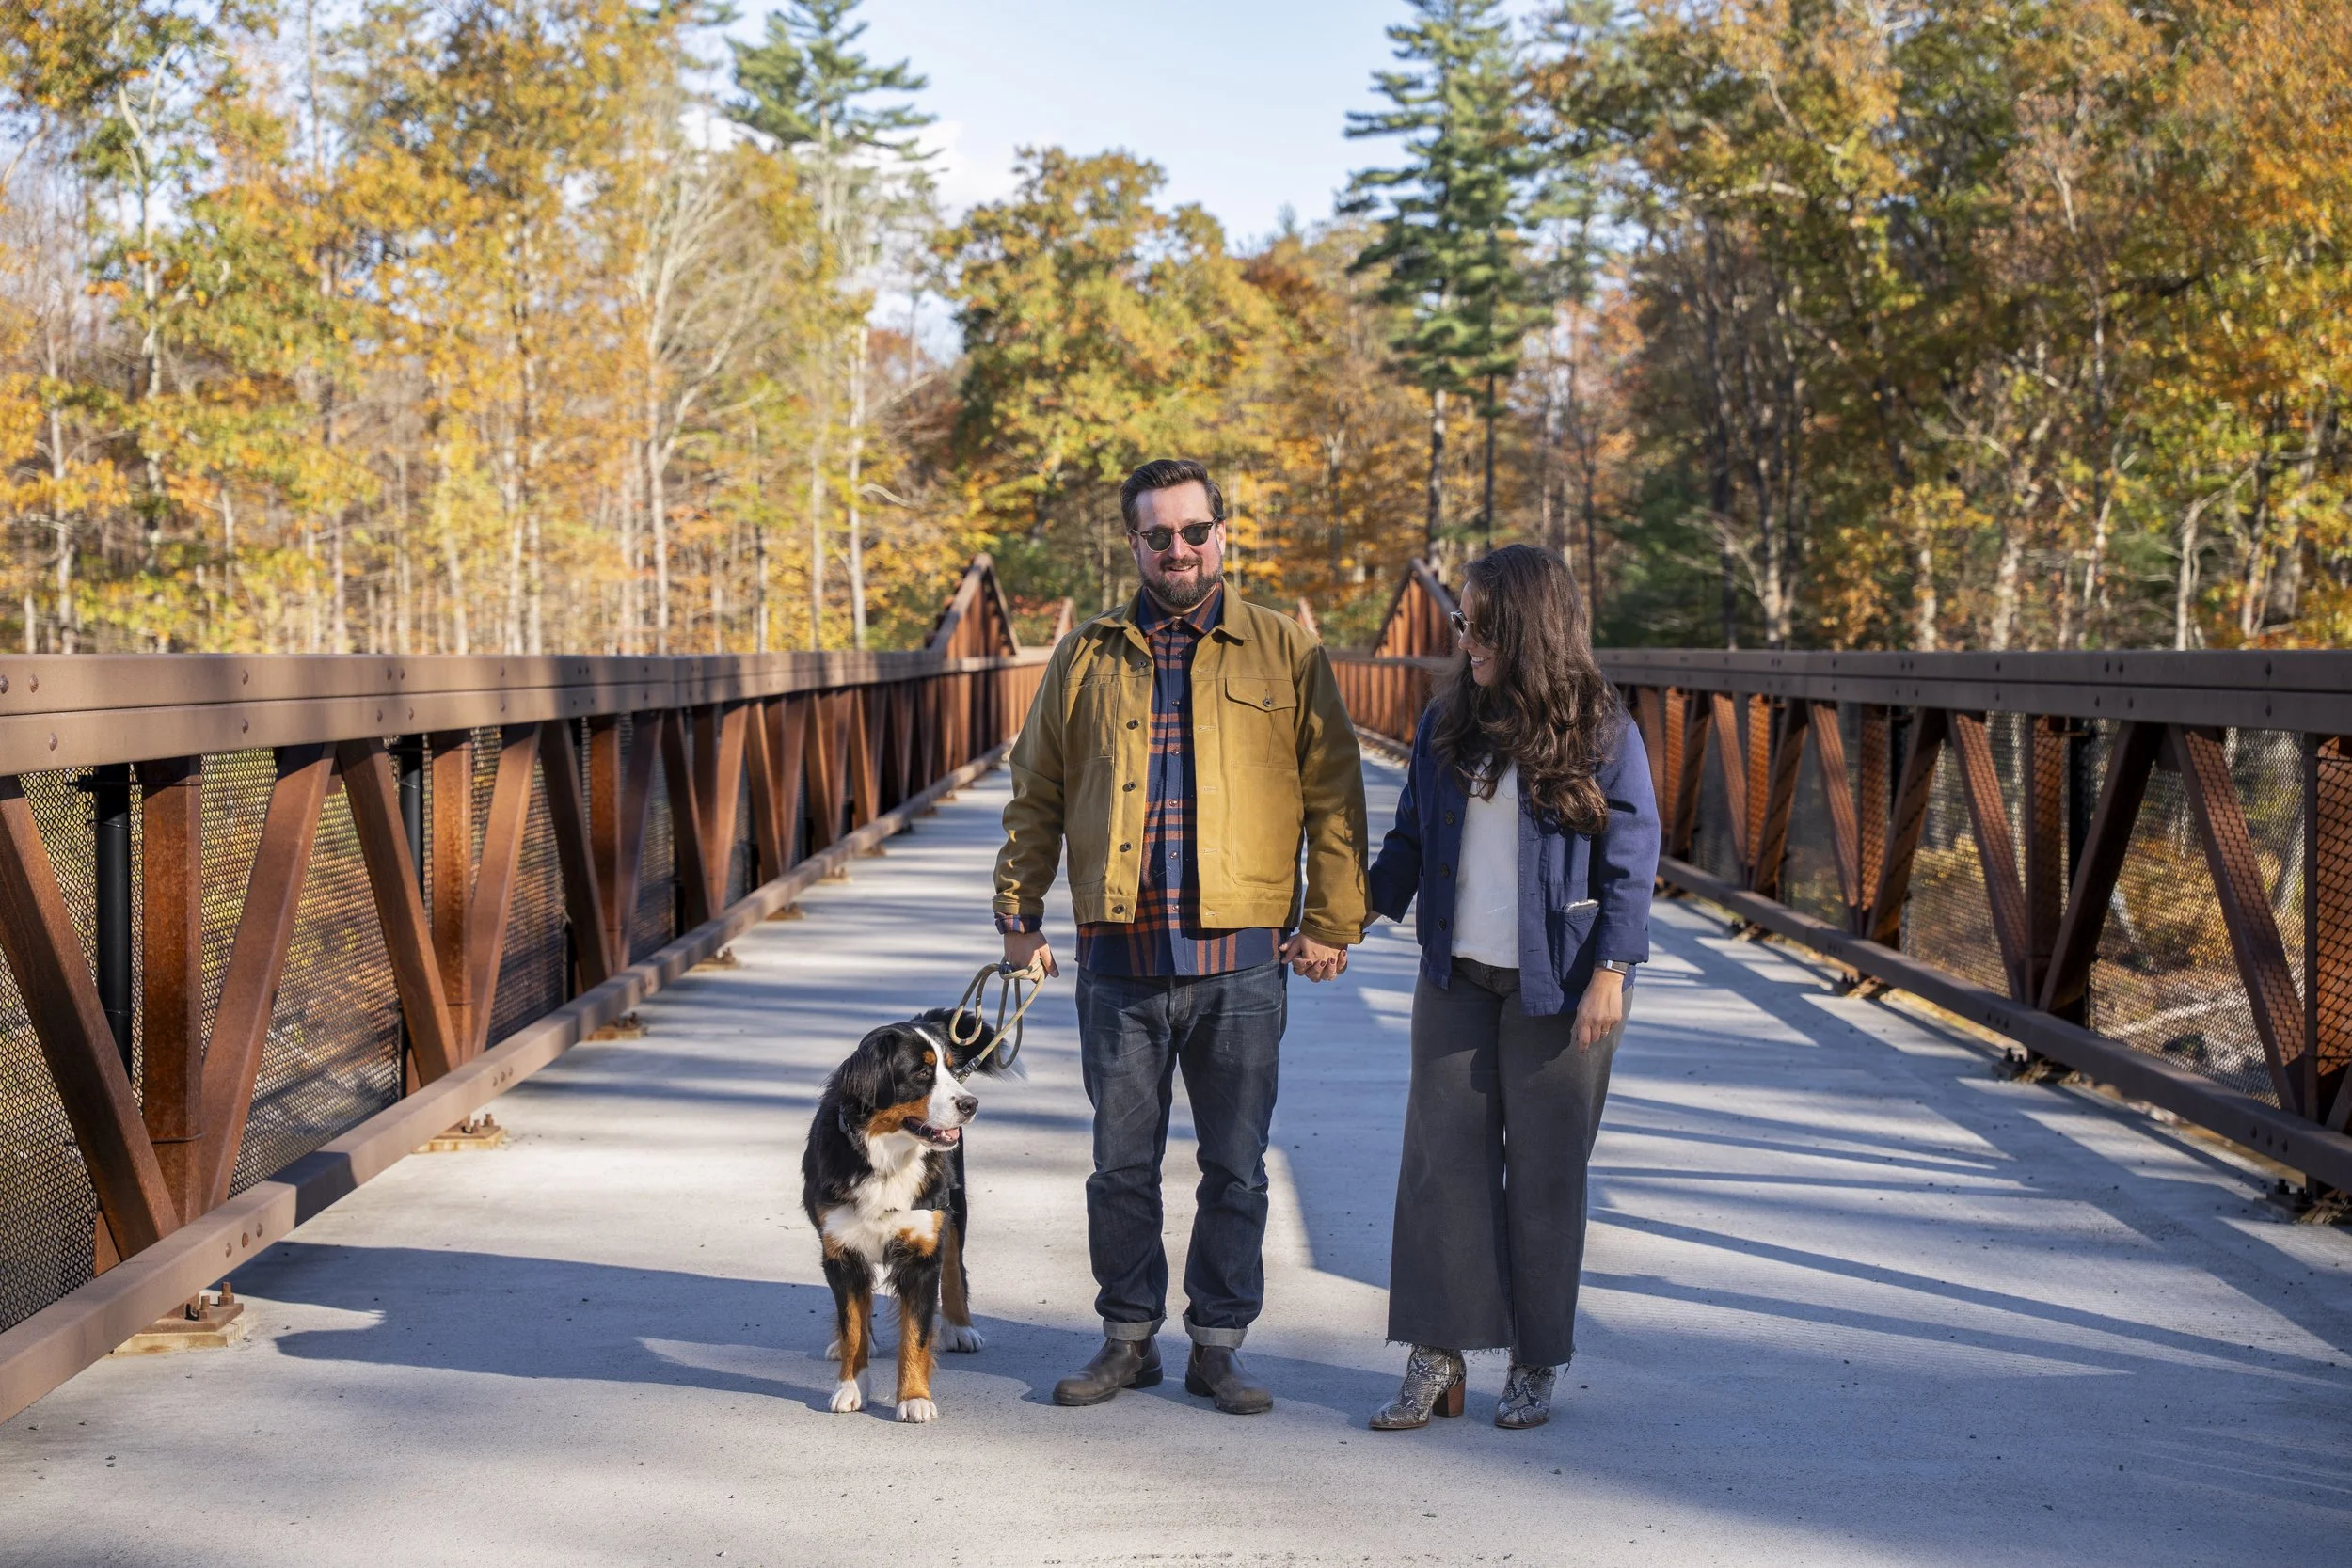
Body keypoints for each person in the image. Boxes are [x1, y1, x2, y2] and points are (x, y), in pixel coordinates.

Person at [993, 458, 1369, 1415]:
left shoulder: (1282, 649)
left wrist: (1330, 918)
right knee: (1120, 1165)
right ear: (1133, 543)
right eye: (1157, 535)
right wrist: (1017, 911)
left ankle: (1217, 1343)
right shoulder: (1084, 656)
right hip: (1119, 955)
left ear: (1221, 534)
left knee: (1235, 1166)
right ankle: (1127, 1338)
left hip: (1239, 960)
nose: (1178, 549)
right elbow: (1034, 789)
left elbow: (1333, 793)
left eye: (1193, 531)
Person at [1362, 543, 1660, 1432]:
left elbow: (1633, 859)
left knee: (1545, 1171)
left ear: (1526, 625)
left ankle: (1535, 1359)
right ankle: (1437, 1352)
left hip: (1565, 985)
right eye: (1458, 616)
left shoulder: (1602, 729)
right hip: (1456, 973)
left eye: (1479, 619)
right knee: (1438, 1164)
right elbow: (1410, 841)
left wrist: (1612, 971)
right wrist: (1346, 917)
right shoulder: (1449, 717)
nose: (1463, 633)